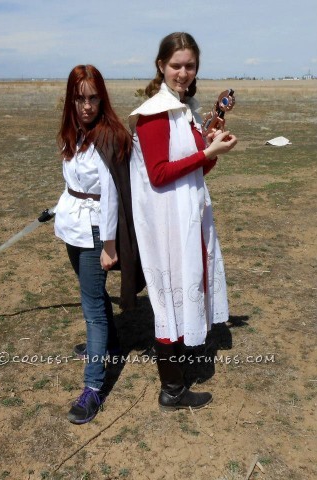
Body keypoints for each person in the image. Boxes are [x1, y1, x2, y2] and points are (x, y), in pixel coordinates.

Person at [129, 32, 237, 411]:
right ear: (161, 66)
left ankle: (178, 371)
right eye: (176, 65)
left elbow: (196, 171)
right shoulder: (155, 113)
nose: (183, 72)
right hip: (166, 222)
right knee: (169, 298)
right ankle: (171, 389)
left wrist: (212, 148)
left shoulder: (184, 109)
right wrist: (206, 150)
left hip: (187, 213)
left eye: (189, 65)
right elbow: (159, 174)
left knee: (184, 287)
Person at [54, 65, 144, 424]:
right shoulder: (73, 133)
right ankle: (111, 345)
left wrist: (109, 244)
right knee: (91, 295)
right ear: (71, 99)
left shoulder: (108, 136)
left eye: (93, 98)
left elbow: (110, 197)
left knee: (91, 308)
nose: (87, 105)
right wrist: (60, 215)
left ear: (102, 98)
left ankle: (93, 387)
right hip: (72, 226)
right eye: (80, 98)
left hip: (94, 231)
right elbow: (72, 183)